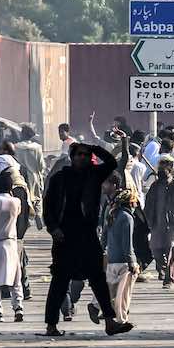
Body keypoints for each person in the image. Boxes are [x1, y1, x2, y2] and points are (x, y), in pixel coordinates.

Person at [42, 141, 132, 336]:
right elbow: (48, 206)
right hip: (65, 235)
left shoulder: (94, 174)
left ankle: (110, 322)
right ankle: (51, 325)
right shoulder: (60, 178)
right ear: (72, 157)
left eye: (85, 154)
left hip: (88, 235)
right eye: (78, 154)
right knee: (59, 280)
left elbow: (111, 163)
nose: (82, 157)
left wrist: (94, 147)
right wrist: (53, 228)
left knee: (98, 279)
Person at [0, 171, 27, 322]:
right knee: (16, 280)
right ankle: (18, 308)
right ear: (11, 187)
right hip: (11, 244)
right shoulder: (16, 202)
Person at [144, 160, 174, 287]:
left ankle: (169, 278)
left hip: (172, 224)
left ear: (170, 171)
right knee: (155, 249)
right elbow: (148, 204)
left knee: (171, 249)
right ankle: (162, 268)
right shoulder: (154, 186)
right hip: (156, 223)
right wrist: (147, 219)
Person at [104, 187, 142, 325]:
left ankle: (99, 308)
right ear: (129, 203)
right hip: (123, 262)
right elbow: (128, 243)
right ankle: (122, 319)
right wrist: (133, 262)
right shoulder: (127, 218)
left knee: (111, 292)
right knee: (124, 295)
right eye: (134, 202)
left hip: (112, 259)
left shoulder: (112, 213)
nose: (136, 205)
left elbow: (104, 236)